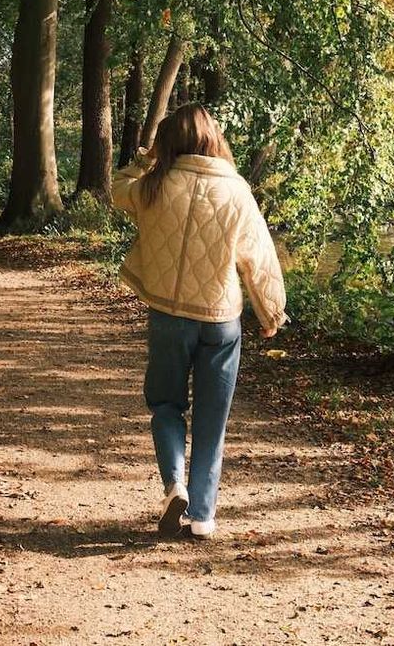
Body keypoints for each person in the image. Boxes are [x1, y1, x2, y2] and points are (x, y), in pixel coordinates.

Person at [112, 103, 287, 540]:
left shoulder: (153, 184)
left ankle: (175, 483)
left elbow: (117, 191)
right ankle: (204, 516)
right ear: (213, 139)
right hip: (221, 319)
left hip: (170, 315)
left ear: (168, 142)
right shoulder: (237, 190)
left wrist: (143, 158)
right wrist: (271, 312)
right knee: (213, 417)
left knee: (167, 404)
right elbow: (259, 258)